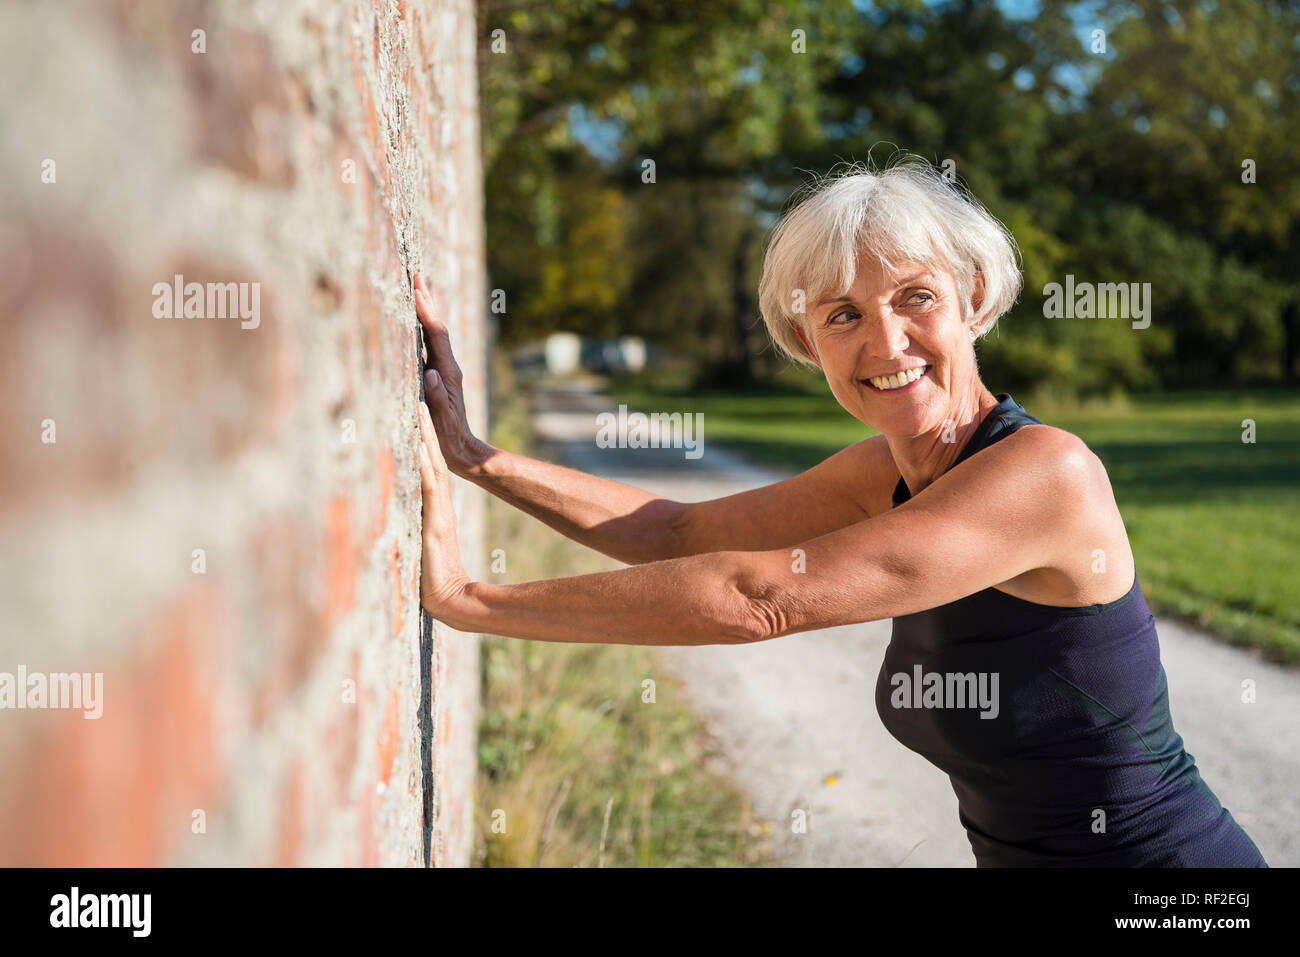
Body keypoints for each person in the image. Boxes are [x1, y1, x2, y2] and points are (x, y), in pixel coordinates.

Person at [407, 154, 1267, 867]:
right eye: (843, 315)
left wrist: (472, 602)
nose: (884, 343)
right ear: (808, 341)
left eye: (915, 298)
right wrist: (479, 461)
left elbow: (758, 599)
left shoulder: (1048, 473)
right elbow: (678, 532)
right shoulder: (877, 474)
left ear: (972, 295)